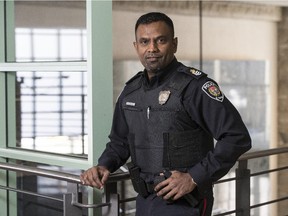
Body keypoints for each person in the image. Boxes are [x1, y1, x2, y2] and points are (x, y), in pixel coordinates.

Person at [80, 12, 251, 216]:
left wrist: (193, 177)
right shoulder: (130, 92)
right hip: (145, 201)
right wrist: (104, 165)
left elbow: (236, 137)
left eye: (160, 40)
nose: (152, 48)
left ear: (174, 44)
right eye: (144, 42)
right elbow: (120, 142)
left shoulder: (195, 87)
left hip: (187, 202)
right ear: (136, 47)